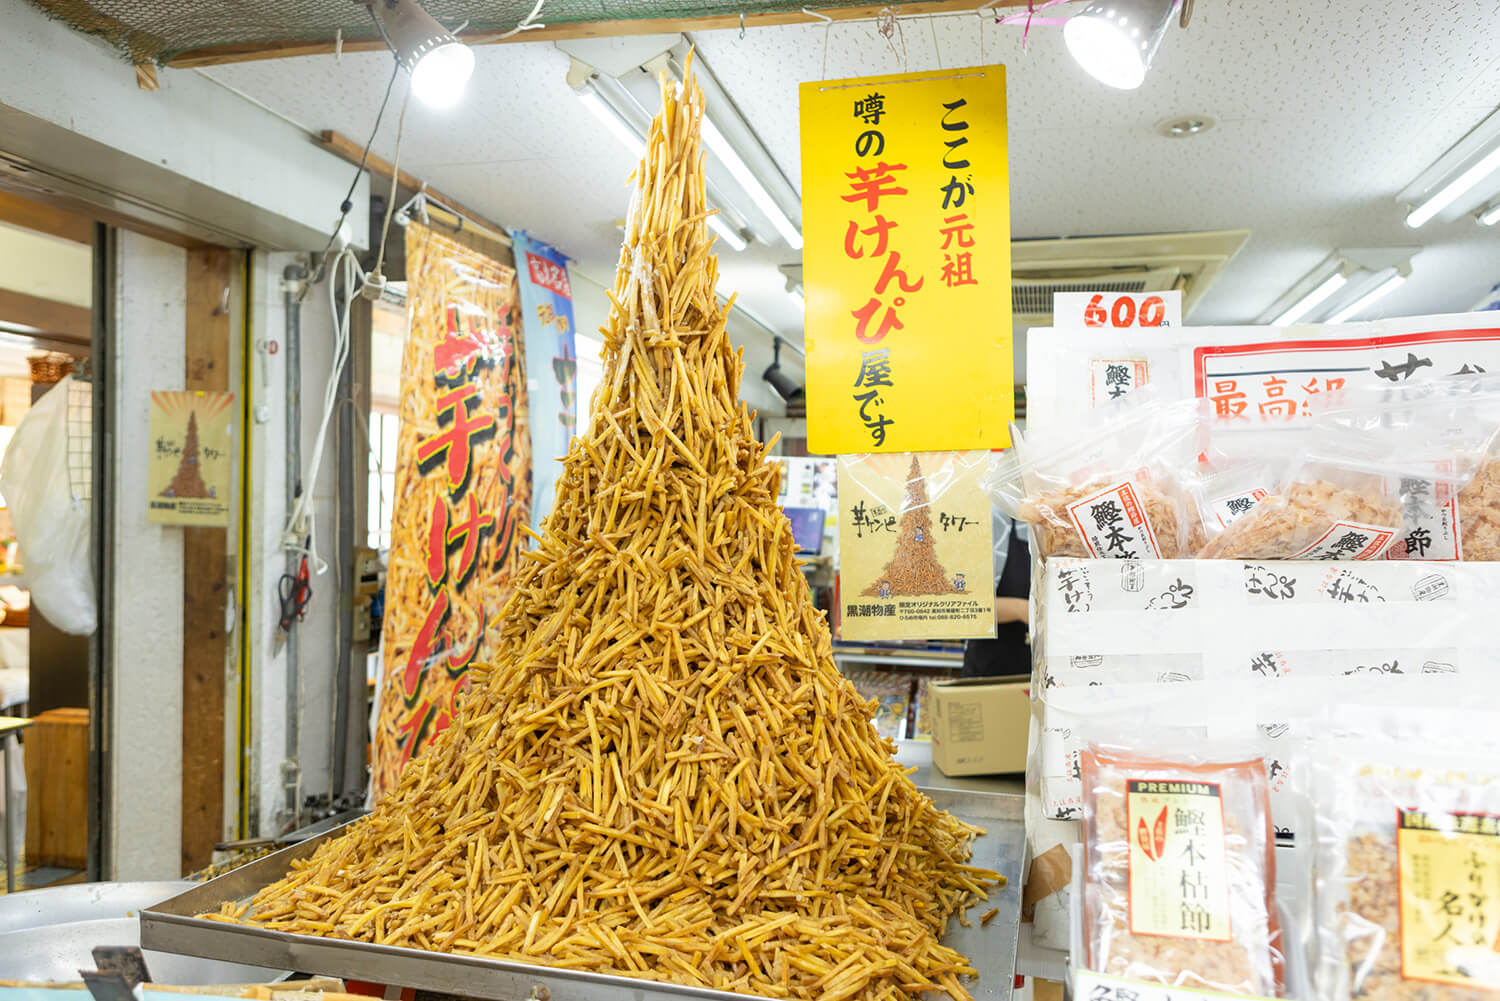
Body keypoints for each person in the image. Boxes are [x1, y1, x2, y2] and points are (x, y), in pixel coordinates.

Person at [961, 517, 1031, 678]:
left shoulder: (1046, 525)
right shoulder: (985, 523)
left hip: (1040, 669)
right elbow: (964, 607)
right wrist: (1021, 610)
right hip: (989, 669)